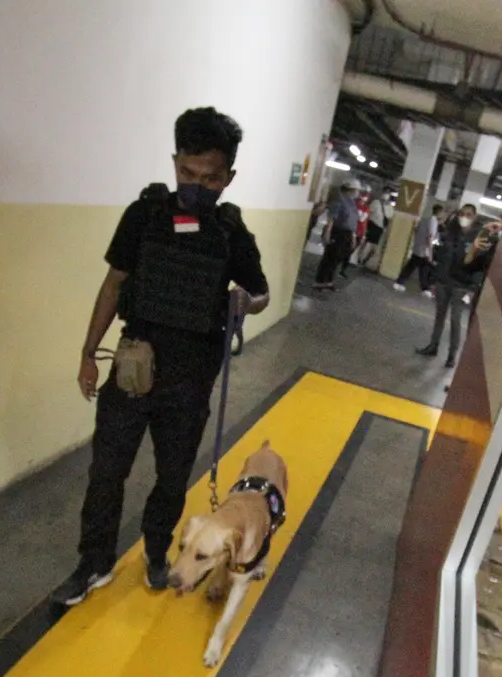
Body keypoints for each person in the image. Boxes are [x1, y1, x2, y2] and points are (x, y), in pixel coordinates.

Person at [51, 108, 270, 607]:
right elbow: (113, 284)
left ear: (228, 177)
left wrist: (245, 302)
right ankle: (94, 562)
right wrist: (88, 353)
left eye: (211, 178)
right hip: (134, 367)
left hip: (191, 378)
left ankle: (156, 552)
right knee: (106, 472)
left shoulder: (230, 233)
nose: (197, 186)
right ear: (175, 163)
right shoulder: (145, 215)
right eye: (188, 174)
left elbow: (261, 292)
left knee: (172, 480)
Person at [416, 205, 497, 368]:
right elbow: (442, 258)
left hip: (462, 284)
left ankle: (452, 355)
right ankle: (433, 346)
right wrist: (435, 280)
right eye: (462, 214)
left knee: (455, 320)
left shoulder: (479, 237)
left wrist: (473, 288)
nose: (464, 217)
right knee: (439, 316)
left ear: (474, 217)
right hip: (444, 281)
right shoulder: (450, 232)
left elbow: (479, 265)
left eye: (468, 215)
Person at [314, 180, 359, 291]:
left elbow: (353, 221)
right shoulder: (339, 201)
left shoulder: (352, 203)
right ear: (350, 190)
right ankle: (320, 282)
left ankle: (329, 281)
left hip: (347, 234)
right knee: (330, 258)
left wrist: (353, 237)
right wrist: (327, 233)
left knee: (337, 258)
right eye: (356, 190)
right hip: (338, 232)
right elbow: (331, 218)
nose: (357, 193)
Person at [394, 203, 443, 295]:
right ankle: (424, 289)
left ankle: (401, 282)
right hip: (424, 250)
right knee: (422, 268)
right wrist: (430, 253)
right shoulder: (433, 221)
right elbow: (430, 237)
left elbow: (416, 230)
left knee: (415, 267)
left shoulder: (425, 219)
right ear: (439, 212)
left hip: (418, 247)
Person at [356, 187, 393, 268]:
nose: (386, 194)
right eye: (385, 192)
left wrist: (388, 232)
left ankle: (364, 261)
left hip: (380, 229)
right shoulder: (376, 202)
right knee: (365, 243)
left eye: (388, 193)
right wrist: (364, 225)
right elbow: (368, 213)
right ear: (382, 192)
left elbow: (390, 220)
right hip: (371, 225)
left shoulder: (390, 208)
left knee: (374, 248)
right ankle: (358, 259)